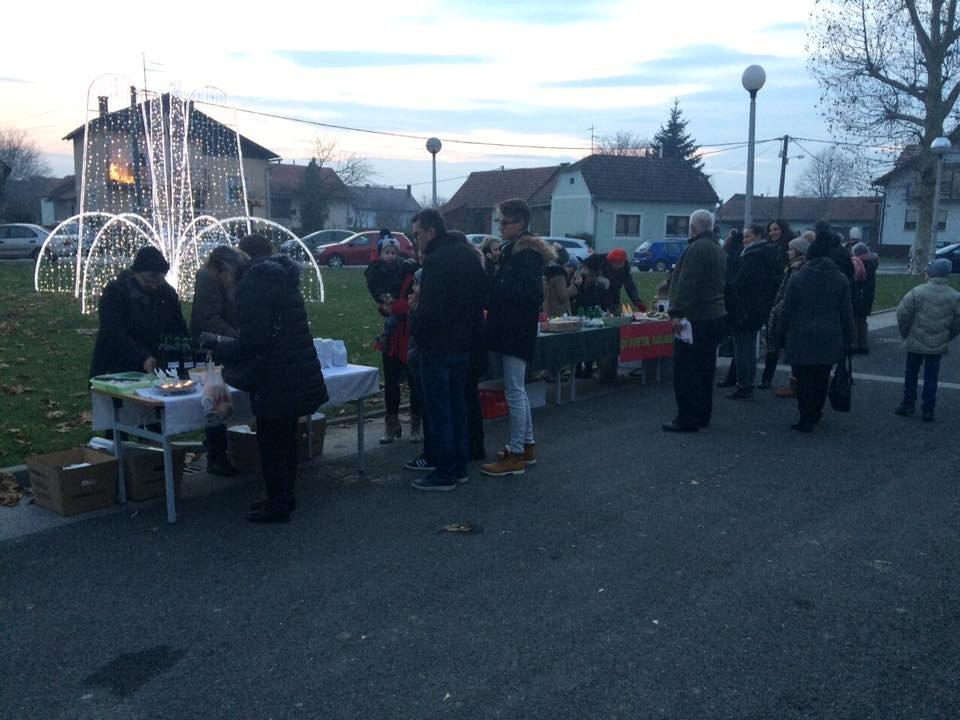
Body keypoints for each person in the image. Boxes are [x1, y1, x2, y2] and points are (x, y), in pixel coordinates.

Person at [203, 234, 328, 522]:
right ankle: (283, 496)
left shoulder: (252, 286)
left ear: (227, 268)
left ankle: (278, 504)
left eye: (219, 277)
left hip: (274, 375)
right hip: (291, 369)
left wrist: (218, 345)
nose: (222, 284)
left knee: (272, 443)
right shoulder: (278, 278)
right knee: (285, 440)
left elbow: (253, 342)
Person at [408, 210, 487, 491]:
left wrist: (414, 319)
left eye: (417, 234)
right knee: (458, 406)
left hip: (438, 346)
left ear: (430, 232)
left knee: (440, 410)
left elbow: (430, 309)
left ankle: (444, 472)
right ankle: (459, 466)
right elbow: (480, 298)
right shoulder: (468, 256)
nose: (415, 240)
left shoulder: (436, 261)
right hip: (463, 344)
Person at [481, 199, 555, 475]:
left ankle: (515, 454)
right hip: (512, 328)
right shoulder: (515, 251)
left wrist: (500, 285)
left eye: (506, 222)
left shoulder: (526, 255)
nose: (501, 226)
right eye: (501, 222)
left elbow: (530, 294)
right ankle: (526, 445)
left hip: (516, 329)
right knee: (517, 389)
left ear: (521, 223)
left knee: (514, 390)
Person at [776, 235, 854, 433]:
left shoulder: (798, 278)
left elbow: (787, 309)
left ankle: (805, 416)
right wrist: (849, 337)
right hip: (829, 334)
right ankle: (816, 411)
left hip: (801, 334)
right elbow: (846, 312)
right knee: (821, 376)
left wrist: (779, 333)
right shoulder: (840, 279)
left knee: (803, 378)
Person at [662, 209, 727, 433]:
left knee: (685, 371)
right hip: (715, 315)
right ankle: (702, 413)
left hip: (696, 318)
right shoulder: (718, 248)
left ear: (693, 228)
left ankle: (686, 418)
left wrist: (676, 313)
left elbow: (687, 284)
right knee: (705, 369)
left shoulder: (696, 249)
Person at [190, 245, 248, 477]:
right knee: (214, 395)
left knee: (221, 395)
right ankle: (217, 454)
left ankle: (221, 449)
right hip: (211, 346)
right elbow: (208, 318)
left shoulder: (221, 278)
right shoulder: (207, 280)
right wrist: (236, 336)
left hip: (223, 342)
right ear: (221, 269)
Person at [89, 246, 188, 378]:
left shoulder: (167, 294)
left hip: (158, 365)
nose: (154, 287)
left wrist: (184, 347)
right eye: (148, 281)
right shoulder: (116, 291)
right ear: (136, 273)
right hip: (117, 366)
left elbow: (178, 326)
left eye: (158, 282)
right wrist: (142, 357)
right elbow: (113, 332)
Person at [364, 235, 421, 443]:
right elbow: (383, 300)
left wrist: (392, 307)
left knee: (415, 382)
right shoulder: (387, 272)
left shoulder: (414, 273)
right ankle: (392, 424)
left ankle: (416, 423)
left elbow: (413, 302)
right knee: (391, 382)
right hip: (393, 337)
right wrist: (384, 307)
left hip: (411, 335)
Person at [893, 258, 960, 422]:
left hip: (915, 339)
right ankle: (928, 408)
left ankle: (908, 403)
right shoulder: (955, 296)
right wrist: (948, 335)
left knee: (911, 373)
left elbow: (902, 314)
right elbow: (958, 322)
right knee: (932, 375)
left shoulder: (917, 292)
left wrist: (906, 333)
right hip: (938, 341)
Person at [725, 224, 782, 399]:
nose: (744, 240)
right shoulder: (770, 254)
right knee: (749, 347)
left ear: (758, 237)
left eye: (748, 237)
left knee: (742, 348)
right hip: (759, 308)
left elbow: (740, 283)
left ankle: (744, 384)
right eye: (744, 237)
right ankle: (747, 381)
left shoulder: (752, 257)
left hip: (745, 308)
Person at [768, 231, 813, 399]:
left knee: (794, 353)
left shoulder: (797, 270)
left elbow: (789, 295)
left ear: (799, 251)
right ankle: (796, 384)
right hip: (794, 316)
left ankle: (795, 386)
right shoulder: (797, 267)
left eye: (791, 249)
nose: (788, 252)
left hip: (792, 318)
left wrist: (777, 310)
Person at [850, 242, 879, 354]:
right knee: (863, 321)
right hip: (868, 295)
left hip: (859, 295)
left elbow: (856, 279)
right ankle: (864, 344)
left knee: (855, 320)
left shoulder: (858, 263)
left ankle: (855, 345)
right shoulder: (872, 262)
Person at [599, 247, 644, 313]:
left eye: (621, 263)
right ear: (611, 262)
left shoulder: (625, 269)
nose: (619, 266)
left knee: (616, 314)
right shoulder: (601, 267)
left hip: (615, 294)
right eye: (616, 264)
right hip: (599, 297)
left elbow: (630, 286)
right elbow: (600, 290)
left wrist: (636, 300)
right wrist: (609, 304)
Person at [543, 244, 573, 317]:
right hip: (559, 313)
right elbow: (562, 295)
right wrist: (574, 288)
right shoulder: (558, 273)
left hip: (548, 310)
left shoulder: (547, 271)